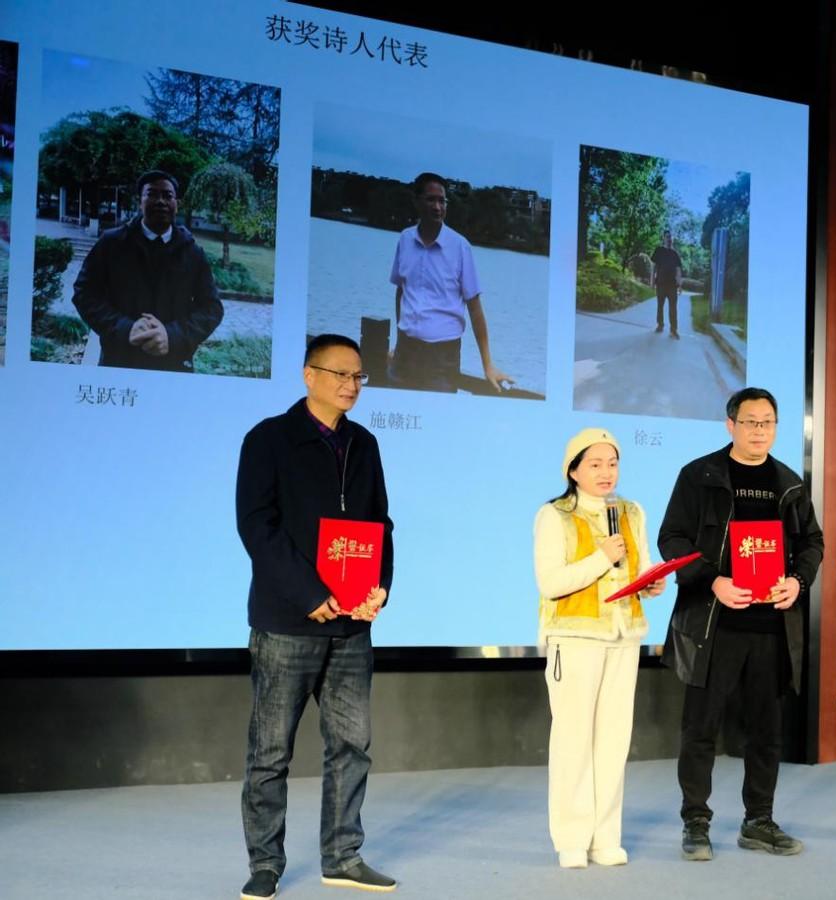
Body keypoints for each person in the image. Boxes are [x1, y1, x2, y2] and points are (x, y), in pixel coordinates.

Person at [235, 334, 395, 899]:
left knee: (352, 746)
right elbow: (257, 526)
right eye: (340, 374)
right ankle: (265, 864)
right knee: (270, 752)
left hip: (352, 626)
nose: (351, 385)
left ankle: (343, 856)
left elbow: (380, 526)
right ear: (309, 375)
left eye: (358, 377)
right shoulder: (269, 438)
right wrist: (307, 593)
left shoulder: (364, 443)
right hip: (288, 622)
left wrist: (380, 588)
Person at [658, 387, 824, 861]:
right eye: (750, 422)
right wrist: (713, 580)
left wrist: (797, 581)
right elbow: (672, 539)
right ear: (730, 425)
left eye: (767, 422)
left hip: (772, 627)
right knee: (700, 729)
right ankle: (696, 822)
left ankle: (759, 821)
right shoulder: (700, 476)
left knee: (767, 732)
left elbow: (812, 543)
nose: (759, 431)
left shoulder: (789, 483)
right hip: (714, 625)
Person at [533, 427, 666, 869]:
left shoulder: (631, 511)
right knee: (573, 738)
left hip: (624, 637)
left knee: (613, 739)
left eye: (612, 463)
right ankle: (572, 837)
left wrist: (651, 583)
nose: (606, 472)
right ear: (573, 471)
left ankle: (605, 836)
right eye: (595, 464)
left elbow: (638, 567)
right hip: (574, 638)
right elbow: (551, 583)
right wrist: (601, 558)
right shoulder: (554, 515)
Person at [72, 169, 223, 371]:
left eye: (167, 195)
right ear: (139, 201)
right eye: (152, 194)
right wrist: (125, 328)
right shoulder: (112, 243)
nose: (160, 201)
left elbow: (212, 308)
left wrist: (172, 336)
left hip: (173, 363)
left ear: (177, 203)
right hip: (119, 359)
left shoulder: (193, 252)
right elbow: (85, 293)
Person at [387, 172, 512, 393]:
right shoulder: (405, 239)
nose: (437, 207)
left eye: (442, 201)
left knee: (437, 410)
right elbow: (401, 292)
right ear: (417, 202)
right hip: (405, 351)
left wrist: (487, 365)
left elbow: (475, 308)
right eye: (431, 199)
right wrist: (398, 342)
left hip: (442, 357)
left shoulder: (460, 247)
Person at [651, 229, 683, 339]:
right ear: (663, 238)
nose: (669, 239)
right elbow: (653, 267)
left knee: (673, 308)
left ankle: (673, 330)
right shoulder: (659, 250)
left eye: (671, 237)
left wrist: (680, 285)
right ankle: (660, 325)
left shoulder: (675, 254)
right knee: (660, 306)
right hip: (660, 283)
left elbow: (678, 270)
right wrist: (652, 281)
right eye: (667, 237)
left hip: (672, 285)